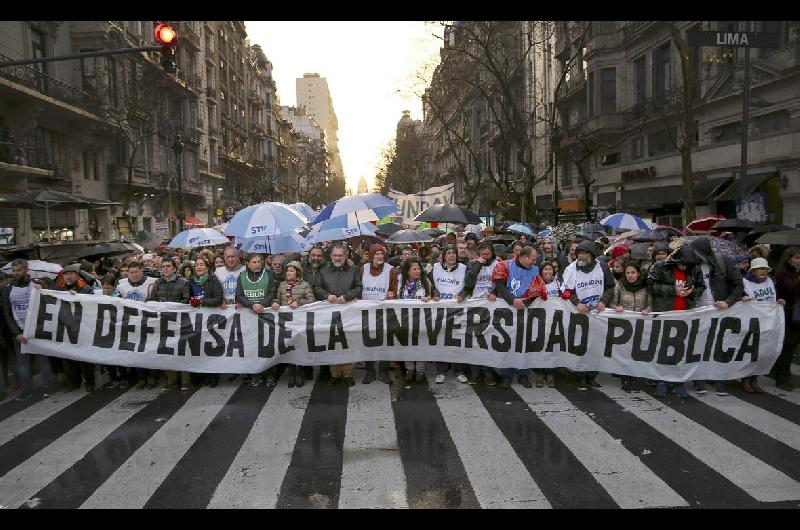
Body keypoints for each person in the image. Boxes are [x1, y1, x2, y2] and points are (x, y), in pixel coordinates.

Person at [647, 244, 705, 398]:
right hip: (665, 313)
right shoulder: (660, 266)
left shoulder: (694, 269)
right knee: (662, 349)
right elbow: (651, 285)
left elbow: (701, 286)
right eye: (682, 263)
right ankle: (661, 381)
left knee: (681, 350)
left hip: (685, 314)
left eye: (688, 265)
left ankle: (679, 382)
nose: (684, 267)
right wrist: (674, 290)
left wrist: (692, 292)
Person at [690, 237, 744, 396]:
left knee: (718, 345)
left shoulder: (723, 262)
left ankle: (718, 378)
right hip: (697, 311)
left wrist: (728, 302)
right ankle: (698, 378)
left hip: (719, 313)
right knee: (698, 346)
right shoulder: (691, 265)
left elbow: (738, 284)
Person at [561, 241, 614, 390]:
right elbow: (565, 291)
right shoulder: (571, 269)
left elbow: (610, 287)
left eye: (584, 253)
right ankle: (581, 376)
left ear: (591, 255)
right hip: (579, 313)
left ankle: (592, 376)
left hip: (597, 313)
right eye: (579, 253)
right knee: (581, 345)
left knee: (596, 346)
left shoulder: (602, 267)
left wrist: (604, 300)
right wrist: (577, 302)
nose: (581, 256)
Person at [491, 245, 547, 389]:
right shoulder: (505, 265)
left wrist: (526, 302)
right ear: (523, 257)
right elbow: (500, 286)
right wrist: (513, 300)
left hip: (525, 310)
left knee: (524, 344)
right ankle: (506, 375)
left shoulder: (535, 270)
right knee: (507, 343)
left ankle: (523, 374)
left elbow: (538, 290)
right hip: (507, 310)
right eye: (532, 259)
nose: (534, 262)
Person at [0, 258, 54, 400]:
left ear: (26, 270)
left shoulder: (36, 285)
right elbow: (6, 312)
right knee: (22, 363)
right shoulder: (7, 290)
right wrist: (16, 333)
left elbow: (46, 305)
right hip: (19, 331)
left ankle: (48, 386)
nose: (16, 273)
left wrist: (42, 290)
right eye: (14, 270)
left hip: (37, 330)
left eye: (19, 270)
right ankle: (27, 389)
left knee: (42, 359)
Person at [312, 243, 362, 386]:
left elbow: (359, 287)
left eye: (340, 255)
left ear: (346, 256)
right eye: (335, 255)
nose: (338, 258)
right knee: (331, 343)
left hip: (349, 313)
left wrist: (346, 297)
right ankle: (334, 374)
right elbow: (316, 287)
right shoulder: (324, 271)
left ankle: (347, 374)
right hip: (329, 313)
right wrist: (327, 296)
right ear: (331, 256)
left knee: (349, 342)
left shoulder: (353, 270)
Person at [740, 257, 785, 393]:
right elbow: (739, 297)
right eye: (760, 269)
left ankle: (755, 378)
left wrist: (779, 301)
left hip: (767, 322)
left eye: (765, 269)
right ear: (753, 271)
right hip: (752, 322)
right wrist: (743, 298)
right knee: (750, 351)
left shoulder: (770, 281)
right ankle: (745, 379)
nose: (763, 271)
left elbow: (771, 298)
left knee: (762, 352)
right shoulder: (745, 282)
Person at [148, 257, 191, 390]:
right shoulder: (157, 283)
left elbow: (186, 300)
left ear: (174, 269)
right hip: (164, 322)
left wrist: (171, 307)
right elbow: (153, 300)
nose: (166, 269)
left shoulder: (183, 282)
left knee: (182, 350)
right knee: (167, 351)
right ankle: (171, 380)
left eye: (168, 266)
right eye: (164, 266)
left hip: (179, 321)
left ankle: (185, 381)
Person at [271, 260, 315, 388]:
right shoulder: (282, 285)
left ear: (298, 272)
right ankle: (292, 373)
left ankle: (300, 372)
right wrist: (274, 302)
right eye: (287, 271)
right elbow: (277, 298)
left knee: (300, 346)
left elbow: (311, 299)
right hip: (285, 322)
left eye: (291, 271)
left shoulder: (305, 285)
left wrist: (299, 302)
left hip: (300, 321)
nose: (289, 273)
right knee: (288, 346)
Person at [236, 253, 278, 386]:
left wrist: (261, 305)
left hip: (265, 314)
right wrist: (252, 305)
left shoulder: (269, 273)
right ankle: (256, 373)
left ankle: (270, 373)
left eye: (259, 261)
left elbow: (272, 292)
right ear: (247, 263)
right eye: (254, 262)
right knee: (252, 346)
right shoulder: (242, 276)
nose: (257, 264)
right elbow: (239, 295)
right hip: (249, 316)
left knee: (266, 345)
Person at [357, 243, 397, 384]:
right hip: (366, 312)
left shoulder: (391, 270)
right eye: (377, 254)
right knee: (367, 341)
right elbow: (358, 286)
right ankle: (370, 370)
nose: (380, 256)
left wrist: (392, 294)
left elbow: (394, 289)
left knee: (384, 341)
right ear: (372, 255)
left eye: (382, 254)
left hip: (384, 312)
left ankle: (383, 370)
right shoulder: (363, 269)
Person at [611, 260, 652, 393]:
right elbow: (612, 303)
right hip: (625, 326)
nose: (630, 275)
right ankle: (625, 378)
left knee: (637, 351)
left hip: (641, 325)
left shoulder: (645, 287)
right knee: (625, 352)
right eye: (627, 273)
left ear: (638, 273)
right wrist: (617, 308)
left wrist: (647, 310)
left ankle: (635, 377)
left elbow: (651, 304)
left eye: (633, 272)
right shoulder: (620, 286)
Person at [54, 263, 96, 392]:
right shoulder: (58, 289)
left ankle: (90, 382)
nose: (68, 277)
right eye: (66, 274)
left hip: (82, 328)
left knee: (85, 358)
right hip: (66, 328)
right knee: (68, 358)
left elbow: (93, 305)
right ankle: (74, 382)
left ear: (77, 276)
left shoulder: (86, 289)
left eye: (71, 274)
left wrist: (77, 296)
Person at [397, 257, 439, 383]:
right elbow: (395, 296)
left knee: (421, 343)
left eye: (419, 268)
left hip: (421, 319)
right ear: (407, 271)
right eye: (414, 269)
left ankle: (420, 369)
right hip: (404, 318)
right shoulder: (401, 280)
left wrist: (430, 297)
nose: (417, 271)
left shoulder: (426, 281)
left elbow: (433, 294)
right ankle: (410, 368)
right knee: (407, 344)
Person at [463, 242, 499, 384]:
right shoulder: (472, 264)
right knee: (475, 339)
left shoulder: (498, 264)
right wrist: (478, 264)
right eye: (482, 254)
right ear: (479, 254)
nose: (485, 256)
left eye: (487, 254)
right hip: (475, 305)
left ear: (492, 253)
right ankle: (475, 371)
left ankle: (488, 371)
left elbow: (502, 283)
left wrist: (495, 293)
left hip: (491, 306)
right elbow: (469, 283)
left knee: (489, 340)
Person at [431, 245, 468, 384]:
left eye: (454, 253)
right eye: (449, 253)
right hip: (440, 309)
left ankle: (459, 370)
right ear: (444, 256)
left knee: (458, 340)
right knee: (441, 339)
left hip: (457, 309)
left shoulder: (464, 268)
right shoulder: (435, 267)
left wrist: (463, 295)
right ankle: (441, 371)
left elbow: (469, 285)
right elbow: (430, 285)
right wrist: (434, 293)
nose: (452, 255)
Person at [188, 256, 224, 388]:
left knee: (210, 348)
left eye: (202, 265)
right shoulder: (190, 281)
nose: (199, 267)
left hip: (210, 320)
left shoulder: (213, 280)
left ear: (207, 267)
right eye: (197, 264)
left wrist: (202, 301)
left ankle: (213, 375)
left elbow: (218, 299)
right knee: (199, 347)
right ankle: (202, 375)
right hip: (196, 320)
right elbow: (186, 297)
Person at [773, 246, 800, 391]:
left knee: (792, 346)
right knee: (787, 347)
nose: (799, 261)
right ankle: (782, 377)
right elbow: (793, 288)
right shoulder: (782, 273)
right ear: (789, 259)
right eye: (797, 258)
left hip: (796, 314)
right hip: (787, 314)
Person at [536, 262, 561, 388]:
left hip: (555, 320)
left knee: (553, 347)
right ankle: (540, 373)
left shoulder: (558, 284)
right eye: (545, 269)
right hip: (540, 320)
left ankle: (551, 374)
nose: (548, 272)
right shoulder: (536, 283)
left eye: (550, 269)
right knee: (541, 346)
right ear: (541, 271)